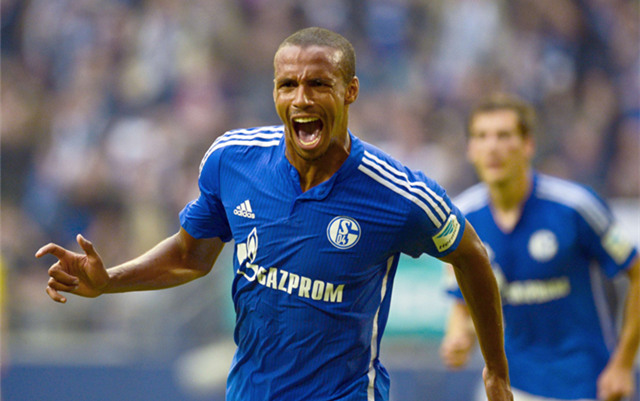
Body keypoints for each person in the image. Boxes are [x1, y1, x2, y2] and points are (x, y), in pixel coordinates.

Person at [37, 27, 513, 401]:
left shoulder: (398, 194)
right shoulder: (232, 160)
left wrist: (494, 369)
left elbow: (470, 254)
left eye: (318, 84)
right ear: (274, 92)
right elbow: (189, 256)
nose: (301, 99)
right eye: (288, 85)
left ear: (350, 91)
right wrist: (109, 281)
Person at [439, 93, 639, 401]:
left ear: (528, 145)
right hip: (512, 386)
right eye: (481, 136)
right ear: (470, 149)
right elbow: (461, 300)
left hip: (585, 384)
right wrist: (457, 336)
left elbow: (637, 273)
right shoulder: (461, 218)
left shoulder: (575, 207)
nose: (492, 147)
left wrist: (623, 364)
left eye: (504, 136)